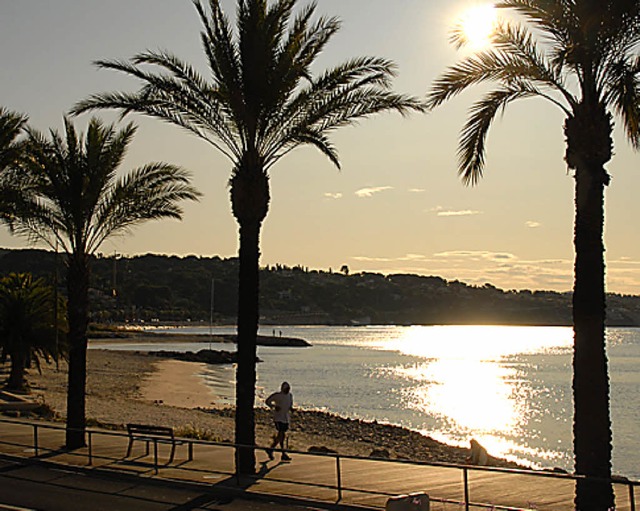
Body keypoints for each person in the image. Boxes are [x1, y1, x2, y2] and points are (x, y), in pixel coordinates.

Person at [265, 381, 294, 461]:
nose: (287, 390)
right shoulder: (277, 396)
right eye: (286, 389)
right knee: (281, 434)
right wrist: (273, 406)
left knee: (282, 435)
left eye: (288, 389)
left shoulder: (290, 396)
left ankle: (272, 449)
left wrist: (291, 409)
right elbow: (267, 401)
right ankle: (282, 453)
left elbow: (290, 405)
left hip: (286, 418)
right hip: (278, 418)